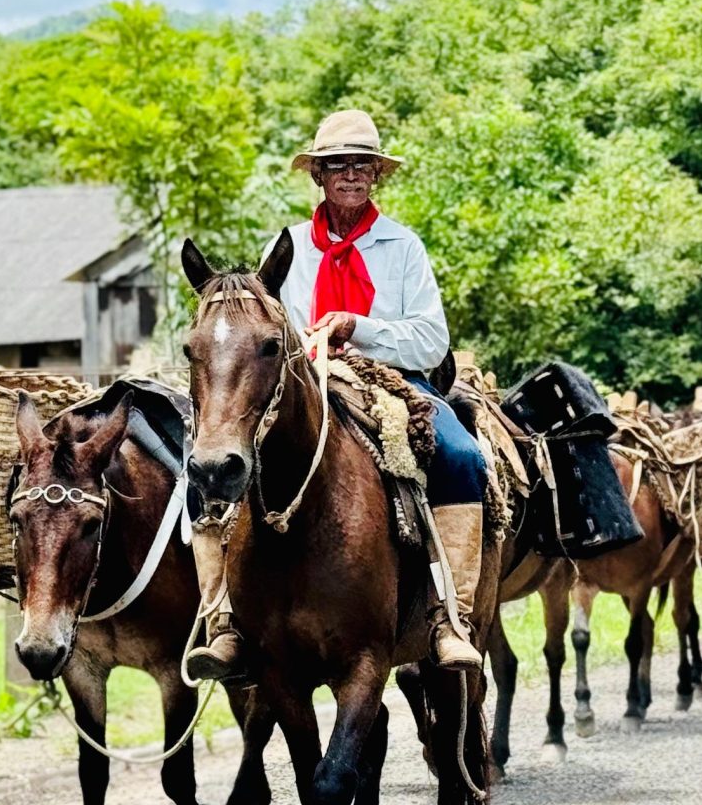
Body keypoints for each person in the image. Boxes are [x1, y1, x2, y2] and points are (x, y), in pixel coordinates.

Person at [190, 108, 489, 681]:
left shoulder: (403, 246)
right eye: (336, 166)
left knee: (461, 456)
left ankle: (452, 618)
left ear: (376, 174)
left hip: (395, 382)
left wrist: (360, 327)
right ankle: (223, 620)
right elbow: (263, 330)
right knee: (208, 463)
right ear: (318, 176)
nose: (349, 175)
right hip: (301, 388)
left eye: (361, 165)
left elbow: (431, 339)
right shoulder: (288, 249)